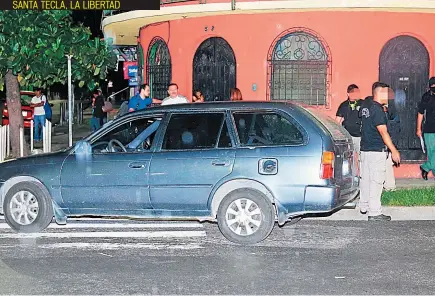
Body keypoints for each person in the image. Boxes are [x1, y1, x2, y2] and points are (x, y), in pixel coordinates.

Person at [359, 82, 400, 221]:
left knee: (365, 180)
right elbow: (383, 132)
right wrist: (393, 150)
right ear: (380, 92)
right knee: (376, 181)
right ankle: (375, 212)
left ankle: (364, 206)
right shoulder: (377, 109)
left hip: (365, 149)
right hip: (376, 151)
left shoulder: (367, 106)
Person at [335, 84, 363, 153]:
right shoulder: (344, 105)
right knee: (349, 155)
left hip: (360, 136)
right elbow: (337, 121)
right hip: (348, 135)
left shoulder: (363, 103)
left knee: (361, 156)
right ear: (348, 94)